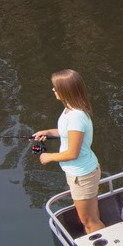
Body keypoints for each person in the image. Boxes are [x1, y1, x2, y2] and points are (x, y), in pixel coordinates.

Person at [33, 69, 104, 235]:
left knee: (89, 221)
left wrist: (49, 157)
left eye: (55, 87)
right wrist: (48, 132)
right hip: (79, 173)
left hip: (82, 175)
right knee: (90, 217)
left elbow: (72, 153)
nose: (53, 90)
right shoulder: (69, 110)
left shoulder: (76, 116)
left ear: (65, 91)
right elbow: (67, 132)